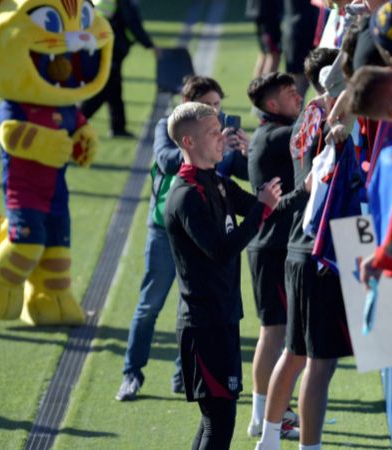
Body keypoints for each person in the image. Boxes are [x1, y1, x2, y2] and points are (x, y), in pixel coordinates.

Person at [115, 76, 250, 402]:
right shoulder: (170, 127)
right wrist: (202, 143)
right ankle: (131, 374)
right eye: (208, 106)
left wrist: (243, 151)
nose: (216, 112)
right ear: (188, 105)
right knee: (150, 304)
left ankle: (184, 374)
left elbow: (241, 174)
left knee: (190, 305)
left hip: (205, 229)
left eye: (218, 105)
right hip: (164, 229)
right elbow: (166, 159)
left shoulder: (218, 131)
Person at [163, 102, 283, 450]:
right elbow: (222, 249)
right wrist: (262, 209)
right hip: (204, 325)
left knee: (214, 421)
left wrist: (306, 187)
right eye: (213, 133)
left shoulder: (216, 181)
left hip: (224, 316)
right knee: (219, 422)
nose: (222, 139)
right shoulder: (185, 196)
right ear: (188, 141)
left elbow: (265, 210)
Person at [255, 61, 353, 450]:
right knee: (320, 361)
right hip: (318, 252)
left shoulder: (308, 121)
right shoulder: (334, 131)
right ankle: (307, 447)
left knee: (295, 352)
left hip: (300, 248)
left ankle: (267, 439)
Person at [244, 72, 304, 438]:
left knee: (276, 333)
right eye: (288, 93)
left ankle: (263, 414)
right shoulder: (278, 136)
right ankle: (263, 416)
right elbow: (315, 132)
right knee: (274, 334)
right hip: (272, 249)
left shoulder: (271, 134)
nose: (296, 96)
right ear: (271, 105)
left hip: (273, 247)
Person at [82, 0, 159, 138]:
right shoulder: (124, 3)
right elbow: (132, 23)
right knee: (103, 91)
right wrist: (149, 45)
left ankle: (118, 128)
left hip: (103, 47)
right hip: (110, 50)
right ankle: (77, 122)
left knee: (115, 91)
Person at [246, 0, 283, 78]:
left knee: (265, 53)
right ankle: (266, 88)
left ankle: (257, 88)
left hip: (262, 11)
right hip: (267, 12)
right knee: (273, 54)